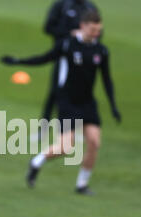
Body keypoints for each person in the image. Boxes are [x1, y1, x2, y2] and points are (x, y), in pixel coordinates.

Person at [2, 10, 121, 195]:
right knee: (66, 147)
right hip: (68, 102)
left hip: (88, 103)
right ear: (82, 26)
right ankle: (37, 162)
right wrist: (18, 61)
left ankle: (82, 184)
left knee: (95, 143)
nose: (96, 33)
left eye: (98, 30)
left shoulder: (101, 51)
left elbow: (107, 80)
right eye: (92, 29)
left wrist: (113, 105)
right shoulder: (67, 45)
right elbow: (44, 58)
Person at [40, 0, 98, 130]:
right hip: (63, 57)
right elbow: (49, 27)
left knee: (82, 93)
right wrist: (70, 34)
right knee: (55, 91)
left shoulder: (90, 7)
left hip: (84, 59)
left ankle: (75, 128)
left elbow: (98, 32)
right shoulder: (61, 5)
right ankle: (42, 130)